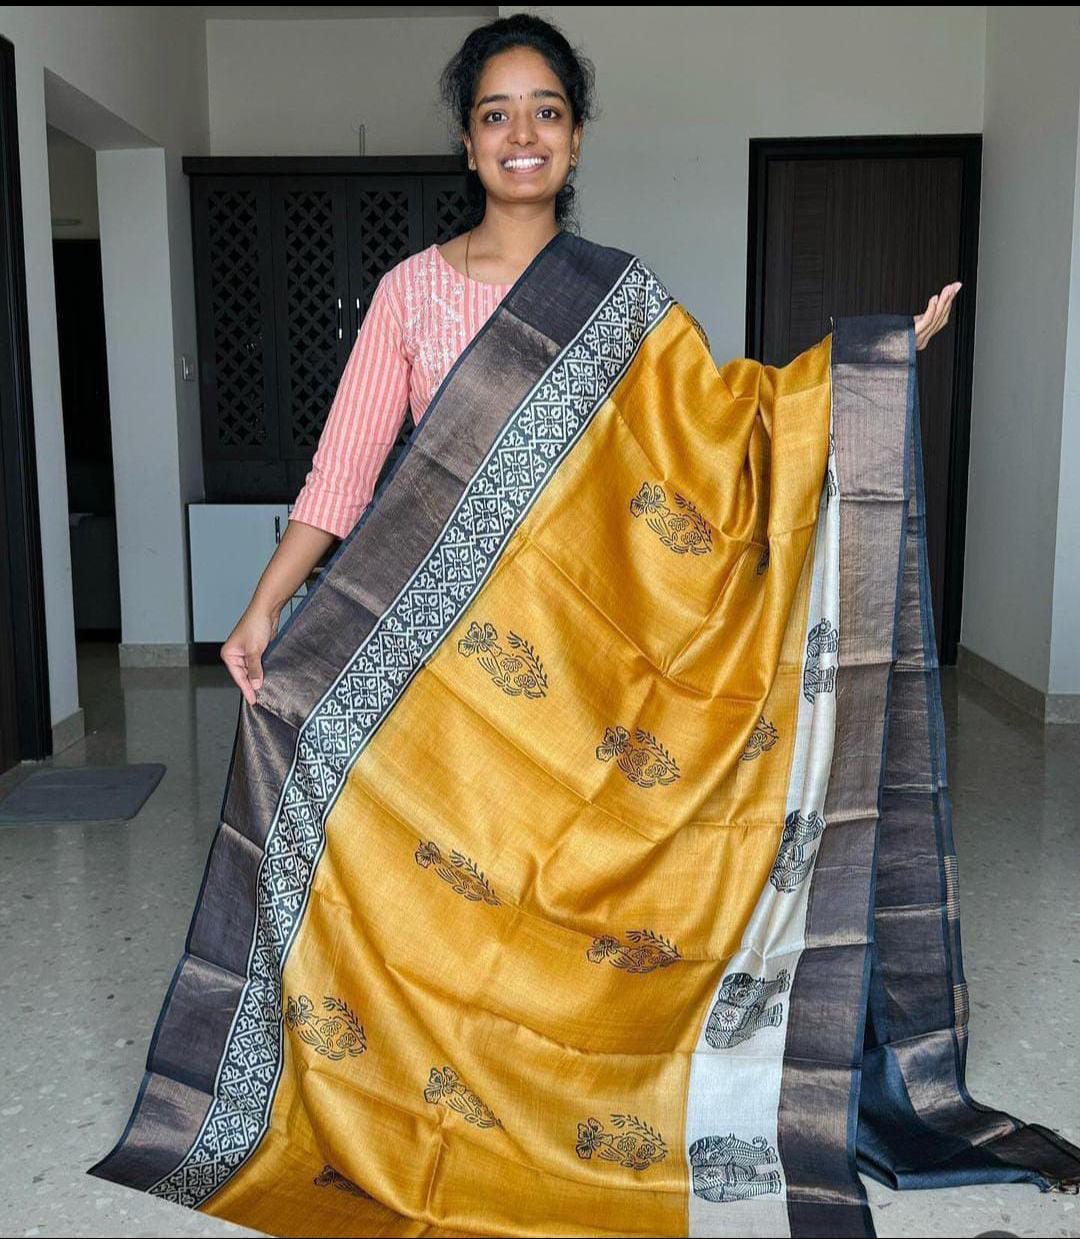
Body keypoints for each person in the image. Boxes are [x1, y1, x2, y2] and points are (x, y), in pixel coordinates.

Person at [219, 13, 958, 708]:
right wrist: (265, 607)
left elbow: (718, 429)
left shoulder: (618, 297)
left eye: (546, 111)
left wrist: (867, 365)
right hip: (446, 641)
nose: (522, 134)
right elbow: (341, 477)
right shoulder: (410, 293)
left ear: (575, 141)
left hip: (589, 639)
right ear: (469, 144)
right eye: (495, 115)